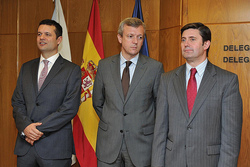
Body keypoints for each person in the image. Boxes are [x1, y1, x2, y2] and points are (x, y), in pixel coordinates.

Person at [151, 22, 243, 167]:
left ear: (206, 44)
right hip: (173, 161)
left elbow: (230, 139)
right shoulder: (167, 80)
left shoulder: (227, 81)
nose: (186, 44)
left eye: (192, 39)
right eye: (183, 39)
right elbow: (160, 132)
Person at [92, 17, 164, 167]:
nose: (135, 41)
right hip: (109, 144)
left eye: (140, 37)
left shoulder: (154, 68)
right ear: (120, 38)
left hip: (141, 146)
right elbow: (98, 102)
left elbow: (160, 107)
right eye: (130, 36)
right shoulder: (104, 66)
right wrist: (114, 121)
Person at [11, 19, 81, 167]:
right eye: (39, 34)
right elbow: (17, 102)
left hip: (55, 149)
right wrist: (26, 127)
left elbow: (69, 108)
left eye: (47, 34)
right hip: (25, 149)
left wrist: (36, 130)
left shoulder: (71, 70)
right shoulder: (26, 67)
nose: (41, 37)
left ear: (59, 40)